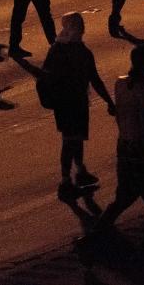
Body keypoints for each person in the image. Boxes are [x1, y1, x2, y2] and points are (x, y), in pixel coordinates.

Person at [92, 44, 144, 265]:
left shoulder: (120, 84)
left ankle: (94, 236)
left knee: (125, 196)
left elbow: (119, 116)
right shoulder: (141, 91)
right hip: (139, 151)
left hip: (123, 146)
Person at [43, 12, 116, 198]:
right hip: (74, 102)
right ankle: (67, 179)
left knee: (74, 138)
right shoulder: (81, 52)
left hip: (66, 102)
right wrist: (109, 101)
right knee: (71, 140)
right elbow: (95, 79)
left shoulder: (57, 49)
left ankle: (79, 172)